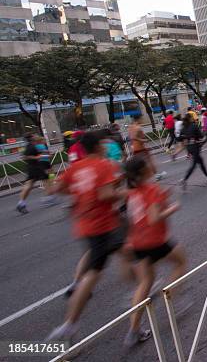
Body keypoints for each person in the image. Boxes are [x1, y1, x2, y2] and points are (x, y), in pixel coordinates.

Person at [46, 131, 125, 342]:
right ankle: (70, 323)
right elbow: (106, 195)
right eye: (103, 142)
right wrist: (124, 193)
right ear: (98, 146)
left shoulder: (76, 167)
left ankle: (143, 286)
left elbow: (59, 189)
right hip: (104, 224)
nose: (106, 145)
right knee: (95, 273)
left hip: (87, 224)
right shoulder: (103, 165)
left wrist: (80, 194)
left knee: (125, 250)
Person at [123, 156, 187, 348]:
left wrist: (162, 197)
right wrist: (173, 207)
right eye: (148, 165)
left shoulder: (132, 191)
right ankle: (170, 299)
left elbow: (140, 212)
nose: (152, 166)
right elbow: (153, 218)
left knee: (144, 283)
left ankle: (133, 330)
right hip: (154, 241)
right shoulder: (150, 189)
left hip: (137, 242)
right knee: (181, 262)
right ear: (144, 171)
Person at [16, 133, 56, 214]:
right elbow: (25, 157)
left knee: (29, 185)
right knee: (47, 180)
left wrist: (45, 155)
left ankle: (21, 203)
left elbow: (34, 154)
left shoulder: (31, 145)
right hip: (35, 167)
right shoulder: (31, 146)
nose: (35, 136)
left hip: (33, 167)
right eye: (33, 136)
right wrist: (38, 157)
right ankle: (49, 199)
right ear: (31, 138)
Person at [178, 114, 207, 189]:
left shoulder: (183, 128)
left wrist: (186, 138)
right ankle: (184, 180)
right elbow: (201, 136)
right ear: (190, 119)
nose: (193, 118)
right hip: (195, 147)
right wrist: (204, 135)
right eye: (192, 117)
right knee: (194, 164)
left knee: (200, 162)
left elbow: (179, 138)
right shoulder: (193, 126)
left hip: (189, 148)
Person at [129, 116, 165, 181]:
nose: (142, 120)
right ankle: (156, 175)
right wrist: (144, 140)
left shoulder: (131, 127)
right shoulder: (138, 127)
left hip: (135, 148)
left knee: (139, 164)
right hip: (141, 148)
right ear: (138, 119)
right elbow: (134, 137)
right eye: (141, 119)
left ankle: (138, 178)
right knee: (150, 161)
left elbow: (131, 138)